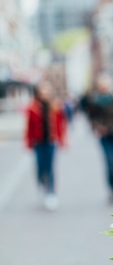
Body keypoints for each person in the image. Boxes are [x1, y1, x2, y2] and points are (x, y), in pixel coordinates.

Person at [84, 73, 113, 203]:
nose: (104, 87)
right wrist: (98, 127)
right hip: (104, 135)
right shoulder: (95, 100)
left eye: (106, 85)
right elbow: (91, 117)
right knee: (109, 161)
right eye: (102, 85)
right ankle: (112, 187)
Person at [24, 79, 68, 210]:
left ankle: (51, 193)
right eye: (42, 90)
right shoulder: (33, 107)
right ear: (38, 92)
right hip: (38, 142)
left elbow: (61, 124)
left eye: (47, 90)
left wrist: (62, 140)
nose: (45, 92)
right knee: (40, 167)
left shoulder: (55, 106)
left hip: (51, 141)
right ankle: (42, 186)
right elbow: (29, 127)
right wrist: (28, 142)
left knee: (50, 168)